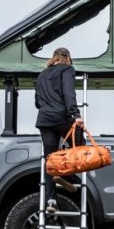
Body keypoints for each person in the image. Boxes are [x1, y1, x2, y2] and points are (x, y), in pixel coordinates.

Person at [35, 46, 84, 214]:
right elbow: (69, 93)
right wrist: (76, 115)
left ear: (53, 58)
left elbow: (37, 102)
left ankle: (51, 200)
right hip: (61, 117)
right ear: (68, 58)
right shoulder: (67, 69)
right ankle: (66, 174)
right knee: (79, 144)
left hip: (44, 120)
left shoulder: (42, 74)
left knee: (50, 160)